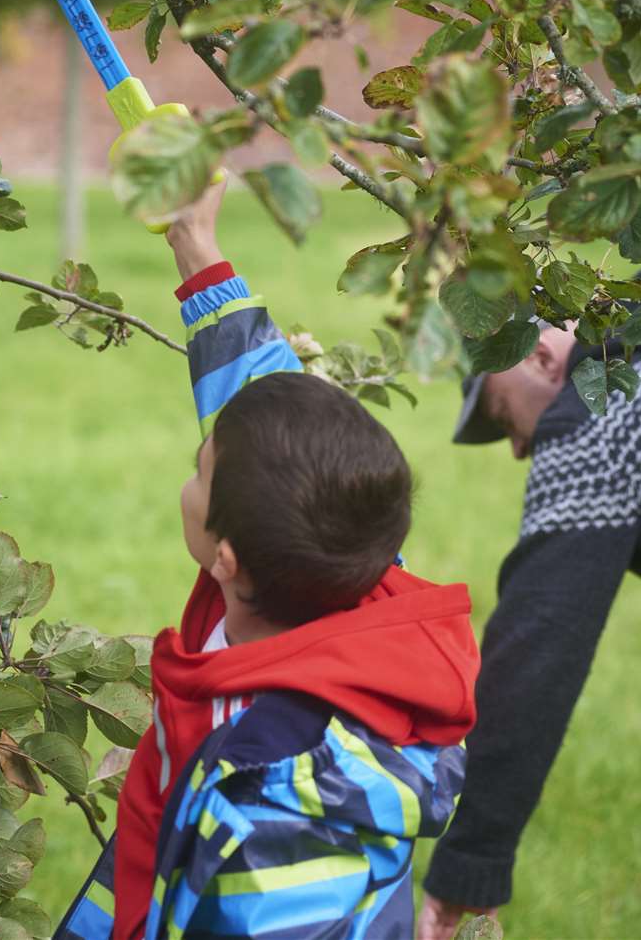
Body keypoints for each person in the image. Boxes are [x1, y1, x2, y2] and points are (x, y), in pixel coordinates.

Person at [56, 181, 480, 940]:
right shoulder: (351, 574)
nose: (188, 474)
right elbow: (268, 407)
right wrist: (195, 241)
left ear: (226, 557)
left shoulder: (277, 806)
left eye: (199, 470)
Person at [418, 267, 641, 940]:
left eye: (503, 415)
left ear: (538, 356)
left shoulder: (600, 414)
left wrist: (469, 861)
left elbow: (539, 643)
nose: (516, 449)